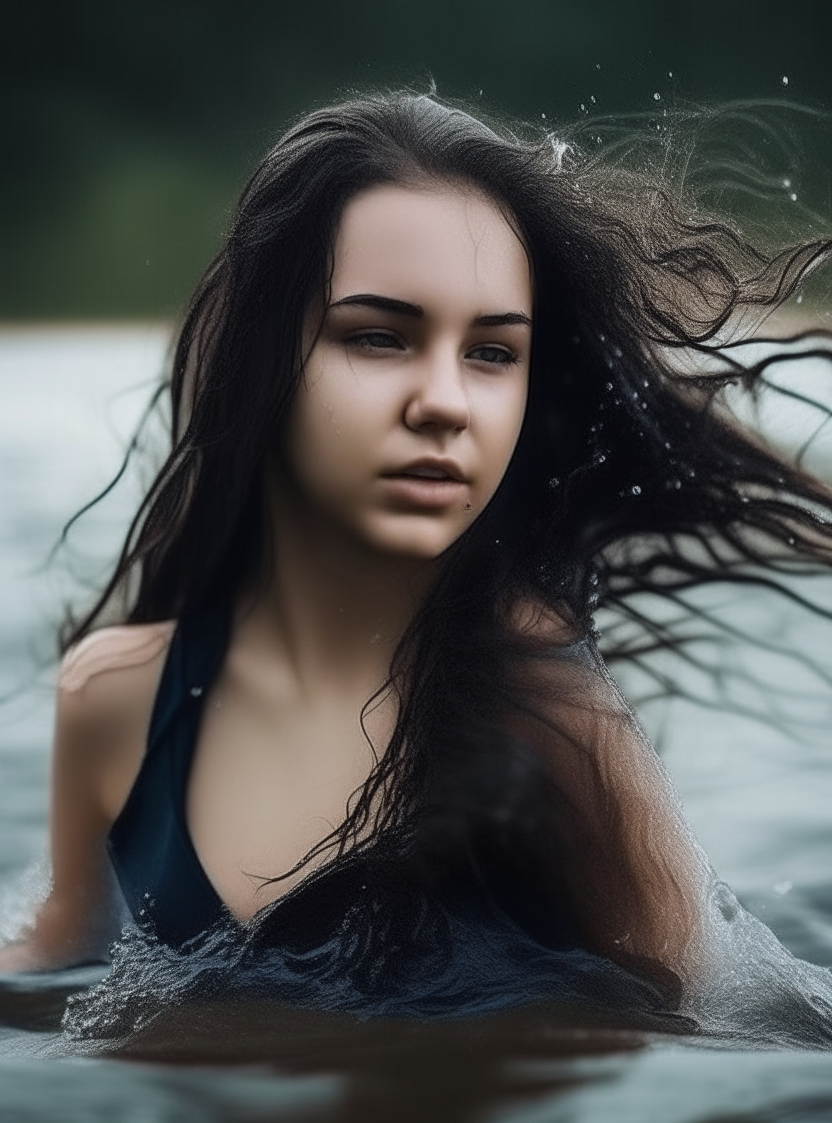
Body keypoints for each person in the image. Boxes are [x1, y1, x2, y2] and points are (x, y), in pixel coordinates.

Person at [2, 93, 831, 1035]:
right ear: (263, 359)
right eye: (378, 337)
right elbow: (55, 956)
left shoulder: (547, 707)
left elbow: (723, 1023)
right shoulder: (117, 697)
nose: (446, 403)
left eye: (491, 352)